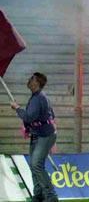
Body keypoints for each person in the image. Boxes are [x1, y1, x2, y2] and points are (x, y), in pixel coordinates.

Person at [10, 72, 58, 202]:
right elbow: (50, 116)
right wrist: (28, 127)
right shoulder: (38, 97)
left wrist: (17, 108)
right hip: (40, 134)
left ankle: (51, 197)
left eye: (32, 78)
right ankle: (38, 195)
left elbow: (30, 116)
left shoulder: (38, 98)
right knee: (33, 165)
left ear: (36, 83)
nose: (29, 80)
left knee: (36, 164)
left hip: (44, 136)